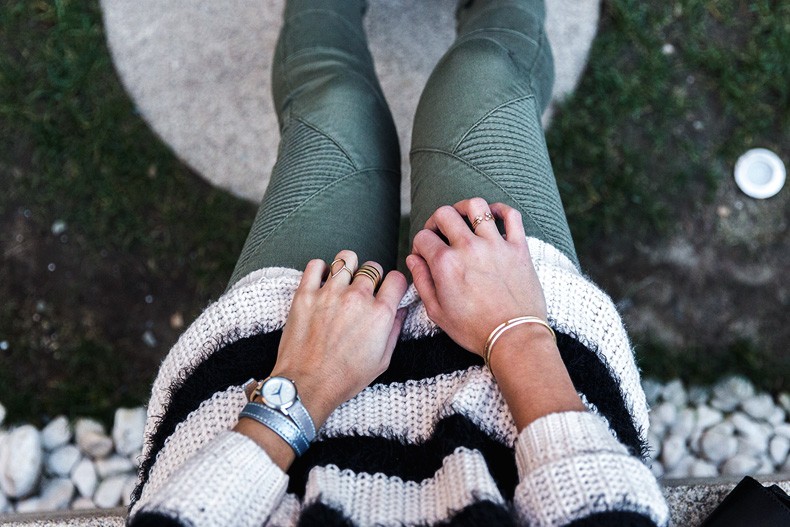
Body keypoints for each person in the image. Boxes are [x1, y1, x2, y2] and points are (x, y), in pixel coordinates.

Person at [127, 0, 669, 525]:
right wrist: (521, 332)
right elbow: (605, 508)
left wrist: (302, 387)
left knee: (331, 102)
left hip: (272, 400)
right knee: (485, 73)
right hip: (527, 386)